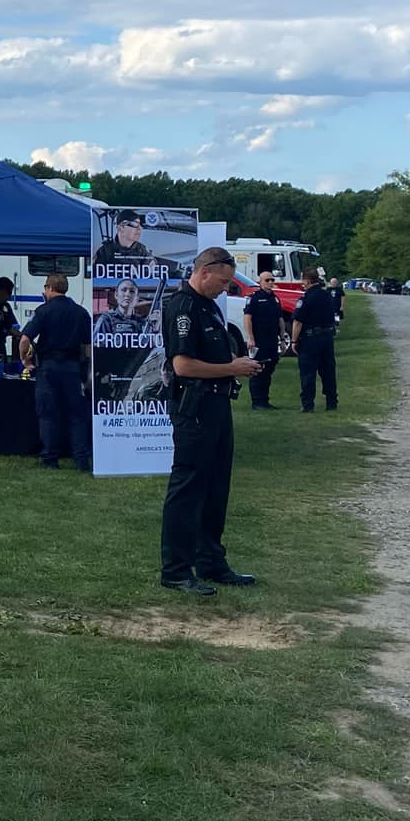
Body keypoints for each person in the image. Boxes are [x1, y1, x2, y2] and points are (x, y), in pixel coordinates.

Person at [159, 246, 263, 595]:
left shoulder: (208, 307)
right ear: (204, 272)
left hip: (217, 404)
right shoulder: (184, 307)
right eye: (222, 282)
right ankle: (175, 569)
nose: (225, 289)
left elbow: (209, 354)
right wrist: (232, 367)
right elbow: (183, 366)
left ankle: (211, 562)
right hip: (195, 406)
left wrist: (234, 362)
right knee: (188, 488)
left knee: (216, 488)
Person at [20, 273, 93, 470]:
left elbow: (25, 339)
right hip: (72, 368)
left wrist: (25, 360)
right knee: (76, 415)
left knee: (48, 414)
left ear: (50, 288)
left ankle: (50, 459)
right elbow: (87, 346)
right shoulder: (81, 312)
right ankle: (81, 460)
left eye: (45, 288)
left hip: (49, 368)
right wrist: (85, 367)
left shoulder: (43, 311)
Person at [293, 268, 338, 412]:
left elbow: (298, 322)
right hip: (327, 338)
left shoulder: (306, 298)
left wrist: (294, 341)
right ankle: (331, 402)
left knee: (308, 372)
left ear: (306, 280)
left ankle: (307, 404)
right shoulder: (327, 296)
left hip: (310, 339)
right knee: (328, 371)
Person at [243, 270, 285, 409]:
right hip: (259, 339)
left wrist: (283, 339)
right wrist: (250, 337)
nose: (270, 283)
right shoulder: (254, 298)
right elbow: (247, 317)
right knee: (257, 369)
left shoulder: (275, 298)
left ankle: (265, 400)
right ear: (260, 282)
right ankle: (257, 401)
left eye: (272, 280)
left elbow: (280, 319)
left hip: (272, 339)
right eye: (267, 280)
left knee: (269, 370)